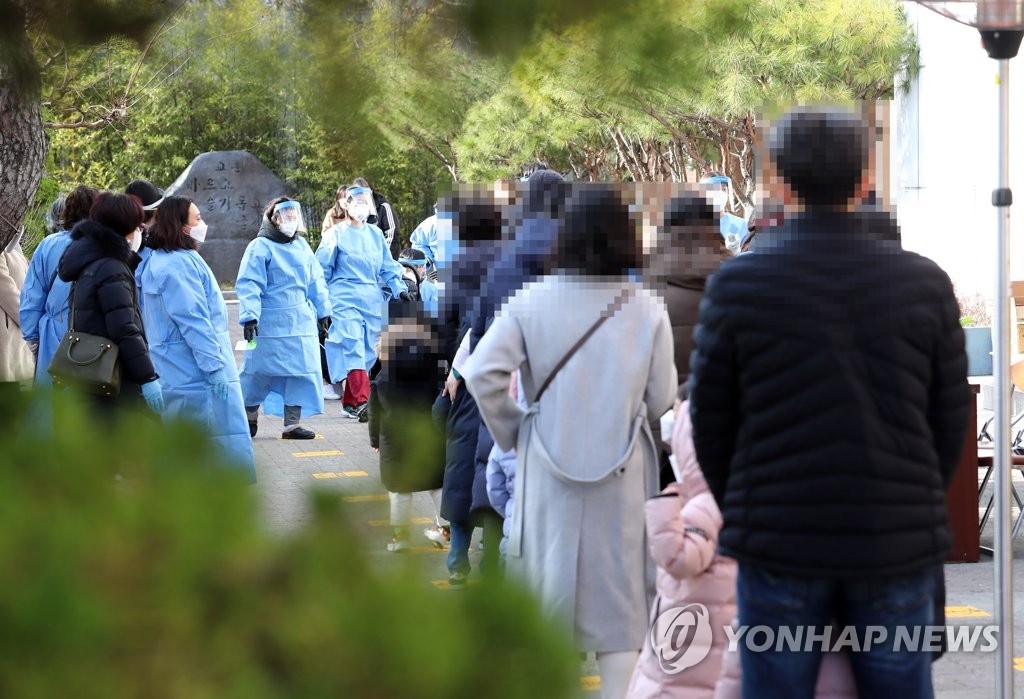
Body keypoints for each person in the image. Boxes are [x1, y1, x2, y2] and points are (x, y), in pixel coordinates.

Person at [688, 107, 971, 698]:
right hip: (895, 538)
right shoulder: (925, 284)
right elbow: (949, 423)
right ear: (867, 179)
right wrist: (910, 491)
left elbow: (712, 424)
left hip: (777, 539)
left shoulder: (738, 284)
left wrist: (747, 503)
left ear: (780, 183)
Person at [463, 184, 677, 699]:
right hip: (622, 475)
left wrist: (516, 431)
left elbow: (481, 374)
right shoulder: (646, 308)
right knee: (622, 615)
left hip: (549, 474)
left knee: (548, 603)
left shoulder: (531, 302)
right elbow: (661, 400)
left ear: (566, 236)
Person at [137, 195, 256, 481]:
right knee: (208, 449)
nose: (203, 223)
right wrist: (214, 366)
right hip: (194, 371)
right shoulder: (177, 264)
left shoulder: (166, 259)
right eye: (197, 218)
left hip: (179, 367)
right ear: (182, 226)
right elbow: (193, 321)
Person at [625, 395, 737, 699]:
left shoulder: (702, 507)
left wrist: (664, 506)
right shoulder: (735, 500)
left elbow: (677, 557)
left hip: (687, 649)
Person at [55, 192, 164, 414]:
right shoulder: (111, 268)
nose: (140, 232)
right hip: (114, 381)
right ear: (125, 228)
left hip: (91, 376)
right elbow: (124, 328)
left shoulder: (91, 261)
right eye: (137, 227)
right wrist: (147, 377)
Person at [237, 197, 331, 440]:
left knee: (300, 372)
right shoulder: (259, 247)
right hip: (268, 322)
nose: (290, 220)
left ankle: (292, 424)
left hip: (300, 321)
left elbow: (315, 281)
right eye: (285, 215)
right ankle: (248, 413)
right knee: (259, 372)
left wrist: (324, 311)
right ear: (273, 219)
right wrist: (249, 317)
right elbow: (250, 284)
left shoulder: (302, 247)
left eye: (293, 215)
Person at [316, 183, 410, 421]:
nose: (360, 205)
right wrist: (321, 304)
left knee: (367, 351)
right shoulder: (334, 235)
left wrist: (400, 289)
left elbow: (388, 267)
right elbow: (320, 272)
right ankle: (361, 401)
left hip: (371, 299)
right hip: (343, 298)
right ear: (344, 204)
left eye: (364, 200)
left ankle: (350, 402)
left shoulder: (375, 234)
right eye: (355, 201)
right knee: (352, 345)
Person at [367, 305, 448, 552]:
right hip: (430, 435)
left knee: (399, 491)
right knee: (437, 485)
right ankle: (444, 530)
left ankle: (400, 537)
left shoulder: (382, 378)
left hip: (394, 440)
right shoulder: (434, 370)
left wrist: (375, 441)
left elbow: (374, 413)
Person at [20, 185, 97, 384]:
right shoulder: (101, 246)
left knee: (50, 404)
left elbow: (32, 295)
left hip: (52, 333)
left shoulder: (48, 244)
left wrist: (32, 338)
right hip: (92, 336)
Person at [0, 230, 36, 393]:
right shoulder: (4, 249)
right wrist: (30, 320)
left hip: (17, 338)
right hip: (8, 340)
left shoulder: (17, 251)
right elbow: (6, 291)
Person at [354, 177, 400, 259]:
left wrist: (384, 259)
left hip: (383, 260)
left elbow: (391, 235)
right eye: (357, 194)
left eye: (363, 192)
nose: (361, 197)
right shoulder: (353, 211)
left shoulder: (383, 207)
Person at [397, 247, 438, 316]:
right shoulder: (393, 286)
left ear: (423, 267)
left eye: (412, 268)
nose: (408, 273)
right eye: (405, 268)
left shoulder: (432, 291)